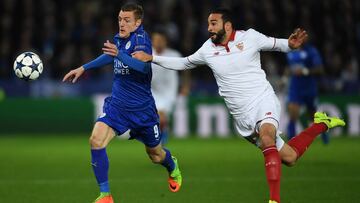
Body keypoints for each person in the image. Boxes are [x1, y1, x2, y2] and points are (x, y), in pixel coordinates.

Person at [132, 8, 345, 203]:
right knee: (289, 158)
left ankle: (274, 200)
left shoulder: (250, 37)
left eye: (213, 23)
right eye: (208, 24)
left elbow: (279, 44)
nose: (209, 28)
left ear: (227, 25)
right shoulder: (207, 49)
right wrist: (152, 58)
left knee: (267, 136)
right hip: (242, 116)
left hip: (263, 99)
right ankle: (321, 124)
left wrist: (289, 44)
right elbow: (184, 62)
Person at [62, 3, 182, 203]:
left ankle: (172, 166)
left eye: (127, 20)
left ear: (138, 22)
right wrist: (84, 67)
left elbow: (143, 69)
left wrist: (120, 55)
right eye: (119, 19)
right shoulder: (119, 39)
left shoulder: (142, 40)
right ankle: (105, 195)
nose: (122, 23)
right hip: (117, 106)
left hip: (142, 110)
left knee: (156, 155)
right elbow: (109, 56)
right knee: (96, 140)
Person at [285, 41, 329, 144]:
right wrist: (284, 78)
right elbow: (289, 67)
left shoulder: (311, 51)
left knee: (312, 115)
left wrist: (305, 71)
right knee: (293, 113)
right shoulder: (290, 52)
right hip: (295, 88)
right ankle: (291, 142)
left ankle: (324, 132)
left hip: (309, 88)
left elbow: (320, 69)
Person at [150, 30, 182, 144]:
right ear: (152, 41)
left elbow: (185, 71)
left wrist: (186, 85)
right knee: (159, 116)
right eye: (156, 40)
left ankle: (161, 136)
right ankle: (162, 135)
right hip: (152, 91)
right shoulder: (147, 55)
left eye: (160, 40)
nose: (158, 43)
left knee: (161, 116)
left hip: (169, 91)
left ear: (165, 41)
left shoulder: (174, 55)